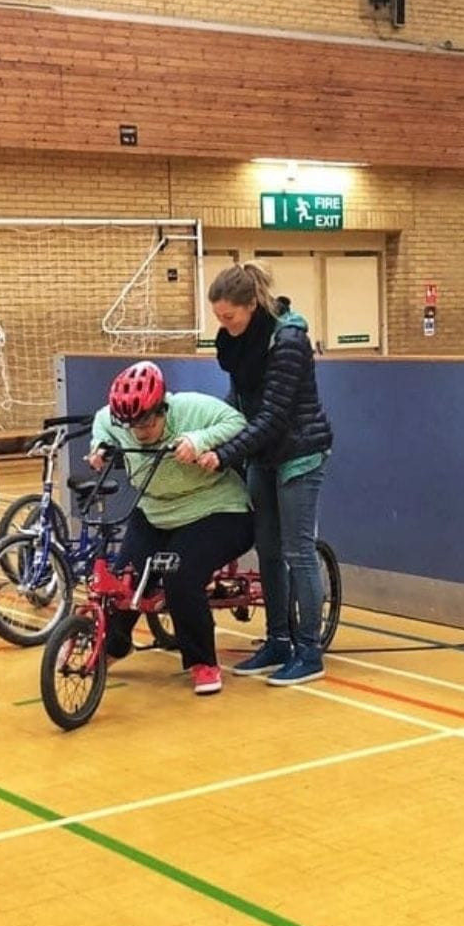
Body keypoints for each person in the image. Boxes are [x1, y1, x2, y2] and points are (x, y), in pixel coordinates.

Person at [198, 262, 333, 685]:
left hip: (299, 452)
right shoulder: (238, 343)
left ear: (251, 305)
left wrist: (224, 455)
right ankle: (278, 641)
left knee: (297, 552)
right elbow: (237, 402)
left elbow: (274, 415)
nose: (224, 325)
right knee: (268, 551)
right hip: (264, 455)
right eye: (218, 318)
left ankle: (309, 652)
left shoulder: (288, 341)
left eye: (229, 317)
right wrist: (206, 435)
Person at [88, 360, 254, 695]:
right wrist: (99, 448)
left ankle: (202, 662)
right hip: (155, 511)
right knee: (124, 579)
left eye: (147, 421)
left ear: (163, 406)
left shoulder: (191, 408)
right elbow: (102, 426)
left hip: (216, 508)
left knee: (181, 574)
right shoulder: (114, 418)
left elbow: (238, 423)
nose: (140, 431)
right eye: (132, 424)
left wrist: (199, 439)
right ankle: (114, 646)